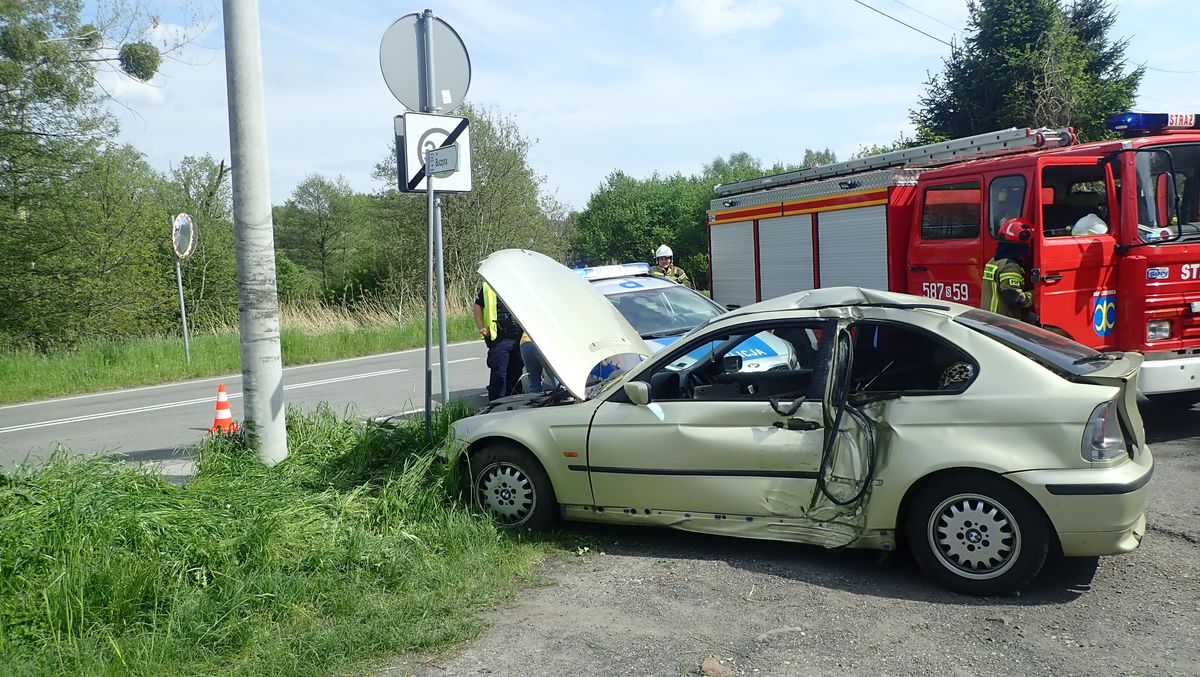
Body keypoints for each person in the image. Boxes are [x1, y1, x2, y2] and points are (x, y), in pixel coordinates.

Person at [474, 281, 524, 400]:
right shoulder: (488, 286)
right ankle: (497, 403)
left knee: (516, 372)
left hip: (519, 336)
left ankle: (516, 401)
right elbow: (477, 307)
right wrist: (481, 327)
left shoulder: (520, 283)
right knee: (499, 372)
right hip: (500, 337)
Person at [981, 218, 1035, 321]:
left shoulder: (993, 261)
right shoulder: (1010, 266)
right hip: (1003, 325)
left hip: (989, 321)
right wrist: (1035, 295)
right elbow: (1014, 298)